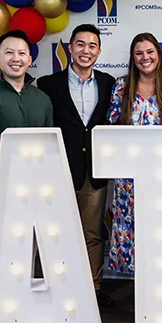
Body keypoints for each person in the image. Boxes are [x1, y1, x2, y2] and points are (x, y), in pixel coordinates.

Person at [37, 24, 117, 308]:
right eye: (80, 44)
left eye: (92, 45)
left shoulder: (109, 83)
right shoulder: (48, 84)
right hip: (59, 171)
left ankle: (93, 289)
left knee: (92, 233)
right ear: (70, 48)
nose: (86, 50)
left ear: (99, 51)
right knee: (56, 233)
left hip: (94, 172)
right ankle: (59, 287)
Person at [106, 33, 162, 275]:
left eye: (149, 52)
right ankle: (143, 289)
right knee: (137, 231)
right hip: (130, 178)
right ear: (132, 57)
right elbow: (113, 128)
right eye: (138, 53)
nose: (144, 57)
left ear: (159, 54)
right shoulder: (121, 86)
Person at [0, 29, 53, 251]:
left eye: (22, 53)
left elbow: (48, 145)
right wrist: (19, 176)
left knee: (29, 251)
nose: (16, 58)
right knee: (3, 253)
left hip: (35, 188)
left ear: (30, 59)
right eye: (9, 53)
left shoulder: (42, 99)